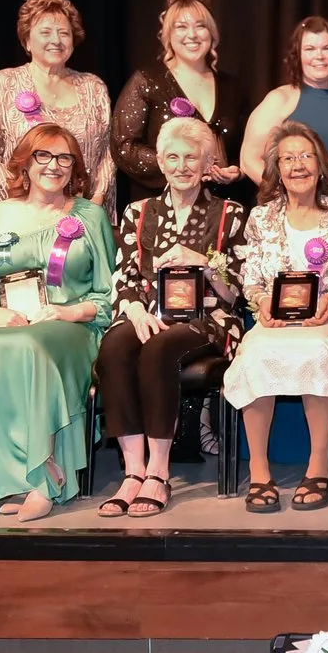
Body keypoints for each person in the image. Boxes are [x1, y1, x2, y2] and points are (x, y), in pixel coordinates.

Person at [0, 122, 117, 521]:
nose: (54, 165)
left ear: (75, 167)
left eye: (64, 157)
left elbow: (108, 293)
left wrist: (70, 311)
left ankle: (42, 478)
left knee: (30, 346)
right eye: (43, 156)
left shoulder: (90, 216)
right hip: (0, 321)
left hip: (68, 326)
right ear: (25, 164)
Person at [97, 116, 247, 517]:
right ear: (161, 163)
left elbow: (238, 290)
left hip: (208, 318)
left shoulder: (230, 213)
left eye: (192, 158)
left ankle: (159, 473)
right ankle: (133, 472)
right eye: (173, 157)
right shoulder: (138, 212)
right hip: (147, 311)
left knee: (159, 349)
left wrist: (204, 262)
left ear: (207, 163)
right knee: (114, 345)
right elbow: (125, 274)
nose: (182, 166)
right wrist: (132, 310)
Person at [225, 121, 328, 512]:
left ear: (320, 166)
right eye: (288, 158)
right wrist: (261, 303)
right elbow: (250, 279)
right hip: (276, 322)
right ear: (277, 169)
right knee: (252, 353)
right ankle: (259, 472)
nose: (297, 165)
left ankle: (319, 466)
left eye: (306, 156)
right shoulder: (261, 218)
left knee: (314, 347)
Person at [0, 0, 115, 205]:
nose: (56, 41)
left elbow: (107, 155)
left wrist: (96, 201)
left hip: (82, 213)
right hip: (21, 212)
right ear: (27, 41)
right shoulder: (5, 83)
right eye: (46, 32)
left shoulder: (93, 87)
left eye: (64, 33)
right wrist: (20, 201)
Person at [115, 0, 250, 205]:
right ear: (167, 34)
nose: (192, 35)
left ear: (212, 33)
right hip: (162, 208)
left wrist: (237, 170)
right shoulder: (147, 80)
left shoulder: (232, 87)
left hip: (222, 208)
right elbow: (124, 147)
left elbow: (246, 147)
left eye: (200, 26)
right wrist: (181, 167)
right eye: (181, 27)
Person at [240, 17, 328, 195]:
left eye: (327, 48)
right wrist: (285, 197)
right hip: (295, 218)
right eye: (310, 49)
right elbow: (249, 159)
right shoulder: (280, 100)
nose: (319, 56)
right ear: (297, 56)